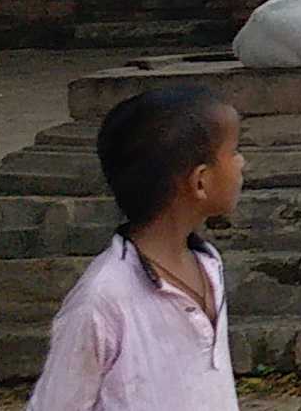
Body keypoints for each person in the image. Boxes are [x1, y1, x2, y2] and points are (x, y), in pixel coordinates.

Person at [28, 84, 244, 410]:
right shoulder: (102, 300)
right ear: (200, 181)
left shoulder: (207, 263)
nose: (243, 163)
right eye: (234, 152)